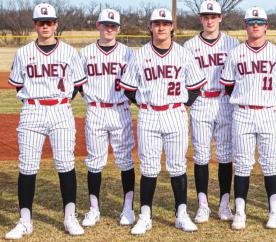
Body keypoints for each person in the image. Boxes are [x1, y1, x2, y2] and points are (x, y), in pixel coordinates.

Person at [119, 8, 207, 235]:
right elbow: (128, 89)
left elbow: (196, 86)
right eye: (156, 23)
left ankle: (181, 214)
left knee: (177, 166)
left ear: (172, 27)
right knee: (149, 168)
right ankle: (145, 215)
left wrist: (182, 105)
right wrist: (144, 103)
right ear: (150, 27)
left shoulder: (183, 53)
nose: (161, 27)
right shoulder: (139, 55)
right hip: (149, 114)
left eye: (165, 23)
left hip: (175, 113)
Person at [5, 3, 87, 239]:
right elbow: (19, 84)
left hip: (61, 110)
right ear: (35, 25)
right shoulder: (23, 53)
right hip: (32, 110)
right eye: (41, 22)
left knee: (65, 164)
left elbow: (76, 85)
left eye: (49, 22)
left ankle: (70, 218)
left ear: (56, 24)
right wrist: (36, 102)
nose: (45, 26)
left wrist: (59, 101)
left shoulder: (70, 52)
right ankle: (25, 221)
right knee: (27, 167)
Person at [220, 6, 276, 230]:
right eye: (251, 22)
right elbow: (229, 85)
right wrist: (246, 98)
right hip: (242, 112)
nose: (255, 25)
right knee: (242, 165)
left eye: (259, 22)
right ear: (245, 26)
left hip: (268, 111)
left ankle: (273, 212)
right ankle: (240, 212)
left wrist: (264, 98)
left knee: (270, 164)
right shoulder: (236, 53)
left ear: (266, 26)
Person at [78, 8, 136, 228]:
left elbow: (136, 82)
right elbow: (78, 82)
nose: (109, 29)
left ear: (118, 29)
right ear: (98, 26)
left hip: (120, 109)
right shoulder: (85, 53)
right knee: (94, 161)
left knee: (125, 161)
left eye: (113, 26)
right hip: (96, 110)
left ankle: (128, 208)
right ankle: (94, 209)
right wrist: (91, 99)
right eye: (105, 25)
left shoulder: (128, 53)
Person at [183, 0, 239, 223]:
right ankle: (203, 205)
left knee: (226, 156)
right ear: (201, 19)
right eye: (206, 16)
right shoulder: (189, 46)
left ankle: (224, 204)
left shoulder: (233, 43)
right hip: (201, 102)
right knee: (201, 156)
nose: (209, 20)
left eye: (213, 16)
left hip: (225, 101)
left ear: (220, 18)